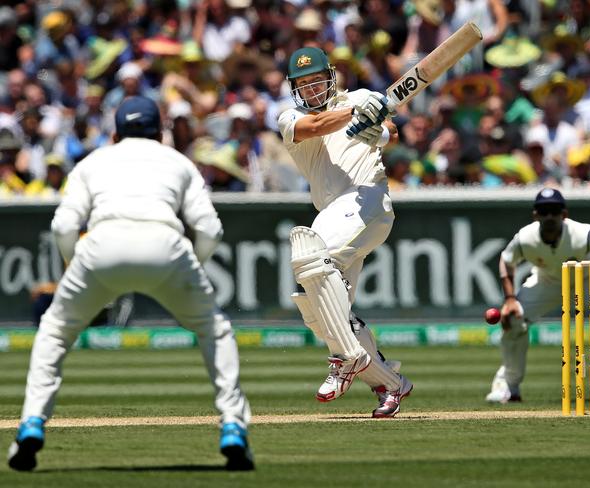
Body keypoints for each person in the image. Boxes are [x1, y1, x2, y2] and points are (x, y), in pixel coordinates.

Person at [7, 96, 254, 472]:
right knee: (215, 329)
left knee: (54, 331)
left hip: (101, 246)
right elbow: (210, 229)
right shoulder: (178, 161)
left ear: (115, 132)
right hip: (166, 246)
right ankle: (233, 426)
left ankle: (31, 424)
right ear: (159, 131)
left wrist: (77, 265)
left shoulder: (94, 161)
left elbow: (62, 226)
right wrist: (192, 267)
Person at [277, 46, 412, 418]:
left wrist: (378, 134)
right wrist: (355, 115)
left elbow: (393, 133)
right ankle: (390, 383)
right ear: (294, 89)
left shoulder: (363, 97)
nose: (311, 89)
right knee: (323, 313)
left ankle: (347, 358)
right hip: (335, 214)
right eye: (302, 84)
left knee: (308, 252)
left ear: (331, 76)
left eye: (316, 80)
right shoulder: (289, 118)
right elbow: (317, 126)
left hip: (367, 199)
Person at [486, 188, 590, 403]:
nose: (549, 217)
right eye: (544, 212)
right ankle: (508, 385)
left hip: (587, 278)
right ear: (535, 215)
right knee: (513, 319)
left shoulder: (583, 233)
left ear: (564, 214)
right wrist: (509, 300)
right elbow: (506, 262)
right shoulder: (525, 237)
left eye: (554, 211)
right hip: (547, 281)